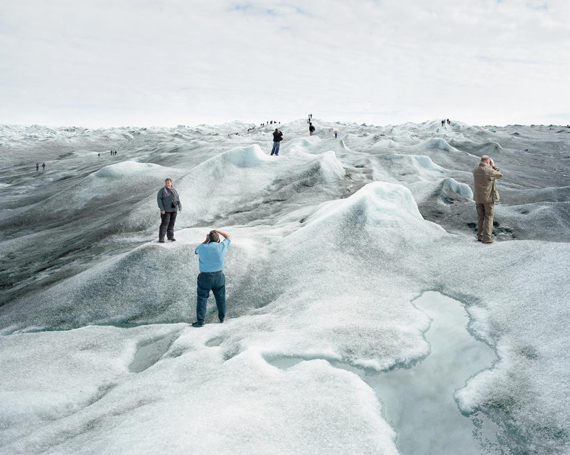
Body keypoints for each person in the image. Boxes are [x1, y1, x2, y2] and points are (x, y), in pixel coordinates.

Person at [192, 229, 232, 327]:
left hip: (205, 276)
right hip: (219, 276)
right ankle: (222, 318)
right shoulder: (222, 246)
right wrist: (218, 231)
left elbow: (196, 251)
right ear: (218, 239)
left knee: (202, 299)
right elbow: (228, 237)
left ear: (209, 238)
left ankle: (200, 321)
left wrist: (206, 240)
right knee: (220, 298)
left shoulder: (203, 247)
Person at [473, 155, 503, 244]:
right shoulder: (490, 171)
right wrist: (493, 166)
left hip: (478, 198)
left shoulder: (475, 170)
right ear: (488, 162)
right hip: (488, 199)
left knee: (480, 217)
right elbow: (500, 174)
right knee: (489, 217)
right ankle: (486, 238)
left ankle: (480, 235)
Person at [157, 178, 182, 243]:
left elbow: (178, 199)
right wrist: (162, 209)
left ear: (171, 183)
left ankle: (170, 237)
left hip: (174, 210)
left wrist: (180, 207)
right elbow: (159, 200)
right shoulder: (162, 190)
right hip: (166, 210)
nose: (167, 184)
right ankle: (161, 238)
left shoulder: (174, 190)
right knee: (165, 224)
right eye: (166, 183)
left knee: (171, 224)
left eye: (168, 183)